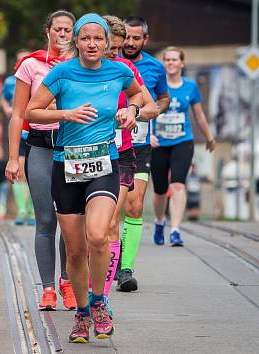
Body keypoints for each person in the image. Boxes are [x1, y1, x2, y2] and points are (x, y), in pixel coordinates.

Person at [26, 13, 142, 343]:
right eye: (85, 38)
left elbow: (139, 97)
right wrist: (66, 114)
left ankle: (100, 302)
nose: (92, 44)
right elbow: (31, 112)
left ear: (107, 43)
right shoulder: (62, 72)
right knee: (75, 251)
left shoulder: (119, 70)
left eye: (98, 39)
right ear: (76, 41)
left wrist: (130, 112)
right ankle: (81, 313)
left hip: (105, 161)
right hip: (68, 165)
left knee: (99, 234)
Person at [5, 9, 77, 312]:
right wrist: (13, 158)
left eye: (68, 30)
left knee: (70, 219)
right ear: (47, 31)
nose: (62, 35)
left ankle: (68, 281)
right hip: (40, 146)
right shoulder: (30, 65)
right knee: (46, 220)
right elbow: (18, 114)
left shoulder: (80, 65)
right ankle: (48, 287)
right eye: (57, 29)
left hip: (73, 147)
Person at [100, 15, 160, 301]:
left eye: (116, 48)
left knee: (128, 210)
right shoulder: (76, 68)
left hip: (131, 148)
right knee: (99, 223)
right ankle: (89, 273)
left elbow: (153, 106)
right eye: (109, 48)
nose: (114, 53)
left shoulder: (130, 69)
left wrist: (132, 112)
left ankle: (120, 273)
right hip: (90, 152)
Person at [116, 16, 171, 292]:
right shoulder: (106, 64)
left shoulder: (153, 67)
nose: (129, 42)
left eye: (136, 38)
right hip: (107, 146)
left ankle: (126, 269)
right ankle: (110, 257)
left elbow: (162, 100)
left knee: (134, 206)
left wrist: (144, 112)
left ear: (144, 40)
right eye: (126, 37)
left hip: (138, 144)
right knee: (111, 209)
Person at [151, 47, 216, 246]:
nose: (170, 63)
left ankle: (176, 230)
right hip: (158, 143)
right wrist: (149, 135)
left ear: (182, 63)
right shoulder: (154, 86)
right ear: (163, 63)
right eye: (167, 60)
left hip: (183, 141)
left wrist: (209, 137)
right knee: (160, 189)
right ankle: (160, 221)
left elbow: (199, 115)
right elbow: (145, 109)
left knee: (178, 184)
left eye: (174, 59)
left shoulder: (190, 86)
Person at [2, 50, 35, 225]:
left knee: (34, 175)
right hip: (19, 132)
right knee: (20, 172)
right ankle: (22, 211)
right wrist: (7, 108)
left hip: (35, 131)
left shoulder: (39, 74)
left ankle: (31, 210)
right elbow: (4, 99)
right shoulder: (10, 81)